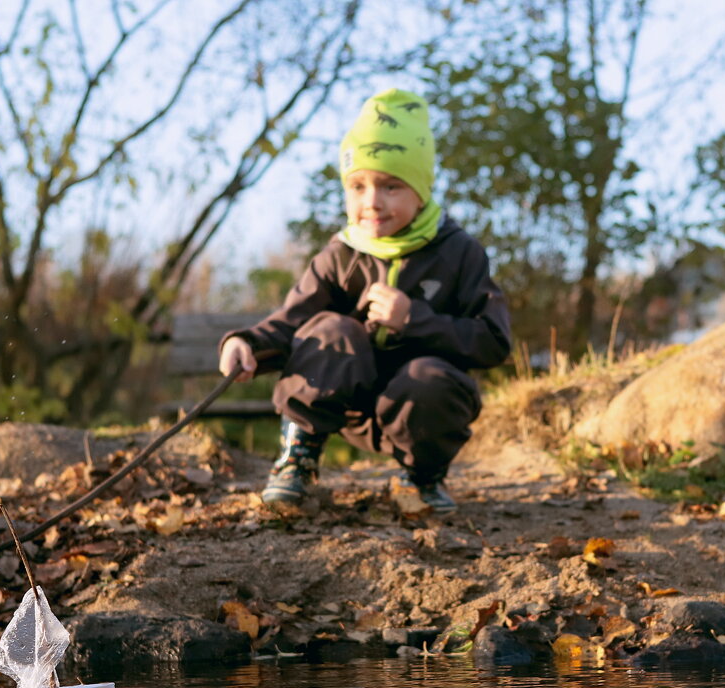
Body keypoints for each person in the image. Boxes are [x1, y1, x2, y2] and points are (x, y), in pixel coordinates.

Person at [217, 88, 511, 514]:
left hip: (418, 407)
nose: (371, 201)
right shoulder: (340, 255)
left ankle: (420, 477)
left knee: (430, 377)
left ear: (422, 190)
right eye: (358, 186)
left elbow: (494, 340)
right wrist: (244, 343)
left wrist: (416, 320)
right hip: (347, 404)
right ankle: (297, 458)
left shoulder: (460, 253)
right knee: (330, 330)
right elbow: (290, 321)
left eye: (391, 186)